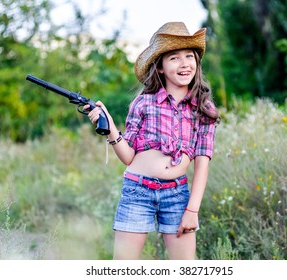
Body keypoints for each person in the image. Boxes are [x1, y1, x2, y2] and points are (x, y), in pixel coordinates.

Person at [85, 22, 220, 260]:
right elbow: (128, 157)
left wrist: (192, 209)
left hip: (177, 195)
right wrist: (110, 127)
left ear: (197, 63)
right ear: (159, 67)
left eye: (190, 56)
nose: (184, 63)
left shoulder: (204, 108)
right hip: (138, 190)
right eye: (174, 58)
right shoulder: (144, 103)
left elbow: (202, 164)